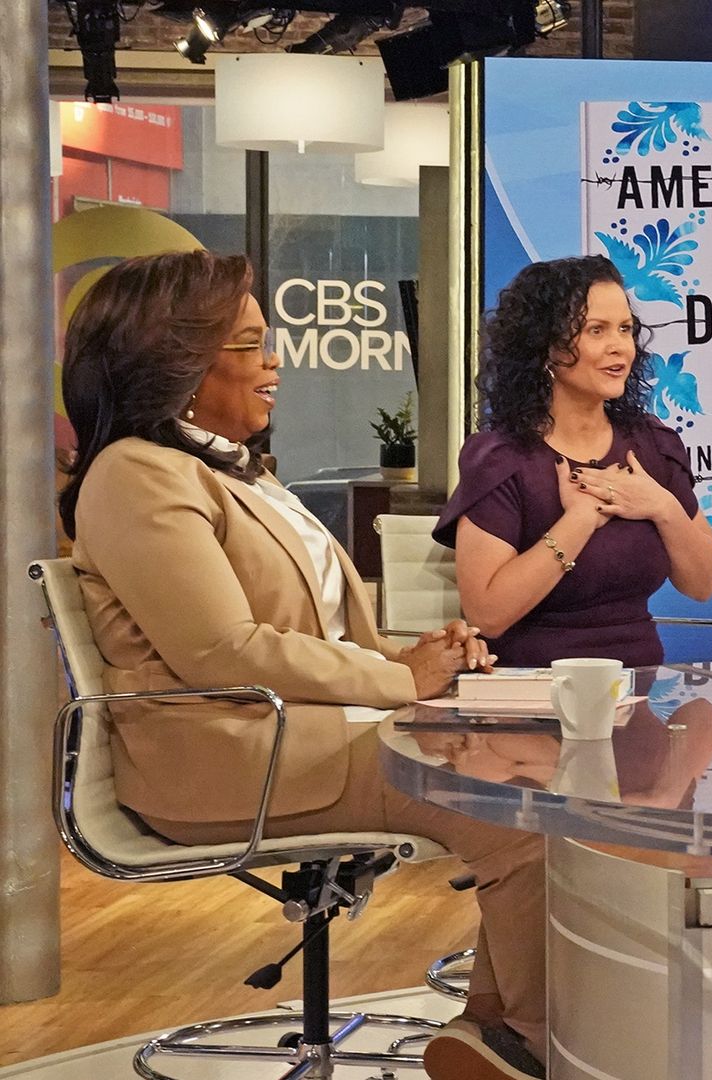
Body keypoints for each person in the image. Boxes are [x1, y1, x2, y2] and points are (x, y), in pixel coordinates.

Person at [61, 251, 547, 1080]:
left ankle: (499, 1036)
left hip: (296, 733)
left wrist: (412, 660)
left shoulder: (223, 467)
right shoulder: (136, 474)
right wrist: (401, 683)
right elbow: (221, 650)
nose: (274, 360)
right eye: (250, 344)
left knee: (530, 773)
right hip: (229, 758)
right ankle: (530, 1040)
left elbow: (301, 630)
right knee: (521, 813)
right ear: (176, 358)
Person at [435, 255, 712, 667]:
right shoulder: (503, 460)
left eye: (625, 329)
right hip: (532, 695)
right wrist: (579, 520)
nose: (619, 347)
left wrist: (661, 506)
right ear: (548, 347)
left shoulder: (651, 446)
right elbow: (488, 615)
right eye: (596, 331)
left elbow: (703, 584)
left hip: (639, 687)